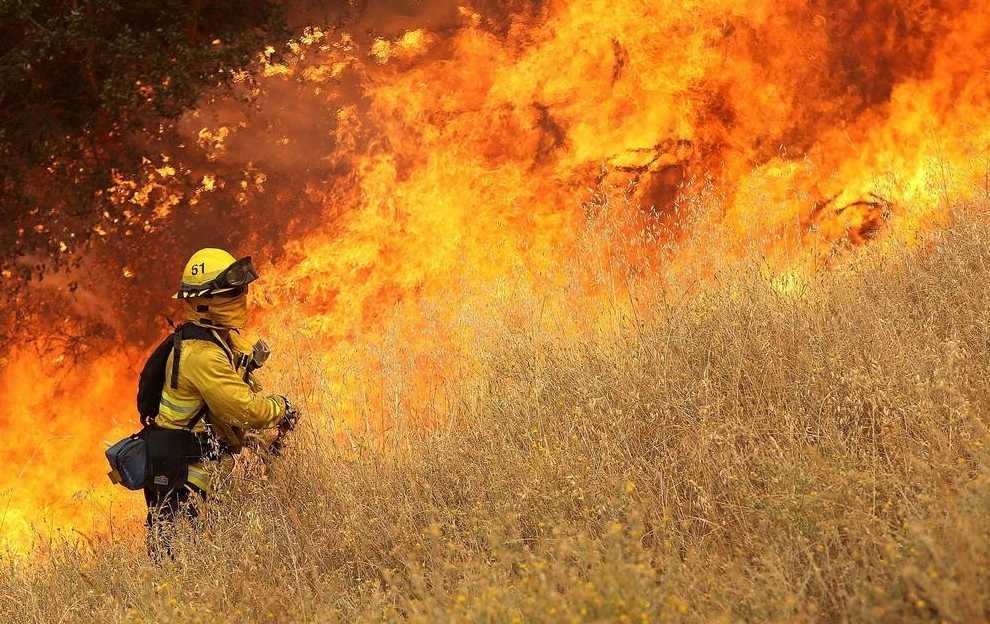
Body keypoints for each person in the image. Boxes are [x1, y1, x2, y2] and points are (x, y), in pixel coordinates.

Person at [143, 247, 295, 557]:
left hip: (206, 472)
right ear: (205, 302)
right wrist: (281, 407)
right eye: (232, 292)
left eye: (242, 290)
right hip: (184, 477)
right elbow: (246, 409)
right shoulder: (202, 354)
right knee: (178, 563)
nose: (241, 297)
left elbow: (237, 394)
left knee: (208, 560)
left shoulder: (222, 339)